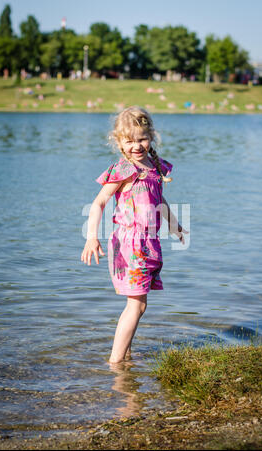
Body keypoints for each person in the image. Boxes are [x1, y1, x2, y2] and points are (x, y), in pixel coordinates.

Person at [81, 106, 188, 363]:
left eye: (142, 138)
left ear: (151, 135)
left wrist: (175, 225)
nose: (136, 145)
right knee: (137, 305)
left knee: (139, 304)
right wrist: (91, 237)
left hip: (149, 242)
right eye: (129, 140)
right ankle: (116, 363)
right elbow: (98, 203)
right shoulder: (123, 170)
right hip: (130, 243)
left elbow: (159, 200)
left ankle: (125, 354)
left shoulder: (155, 167)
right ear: (119, 141)